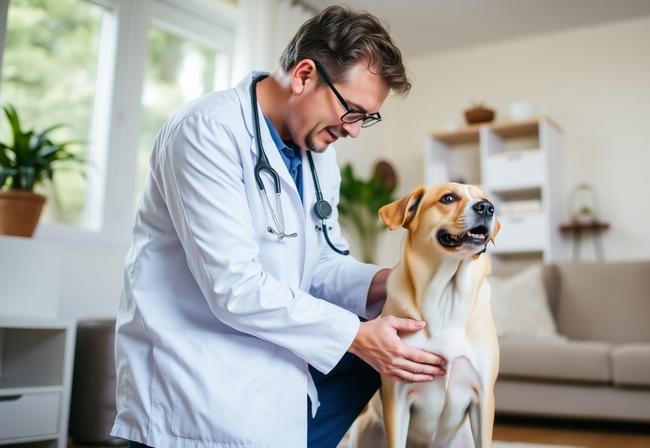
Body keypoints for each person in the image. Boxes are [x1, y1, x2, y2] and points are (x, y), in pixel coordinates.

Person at [111, 6, 446, 448]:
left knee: (392, 350)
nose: (355, 132)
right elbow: (234, 285)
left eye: (366, 118)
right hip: (199, 380)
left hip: (273, 368)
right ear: (305, 76)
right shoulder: (207, 131)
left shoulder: (317, 157)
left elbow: (321, 263)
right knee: (366, 349)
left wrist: (392, 282)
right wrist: (354, 335)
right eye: (353, 112)